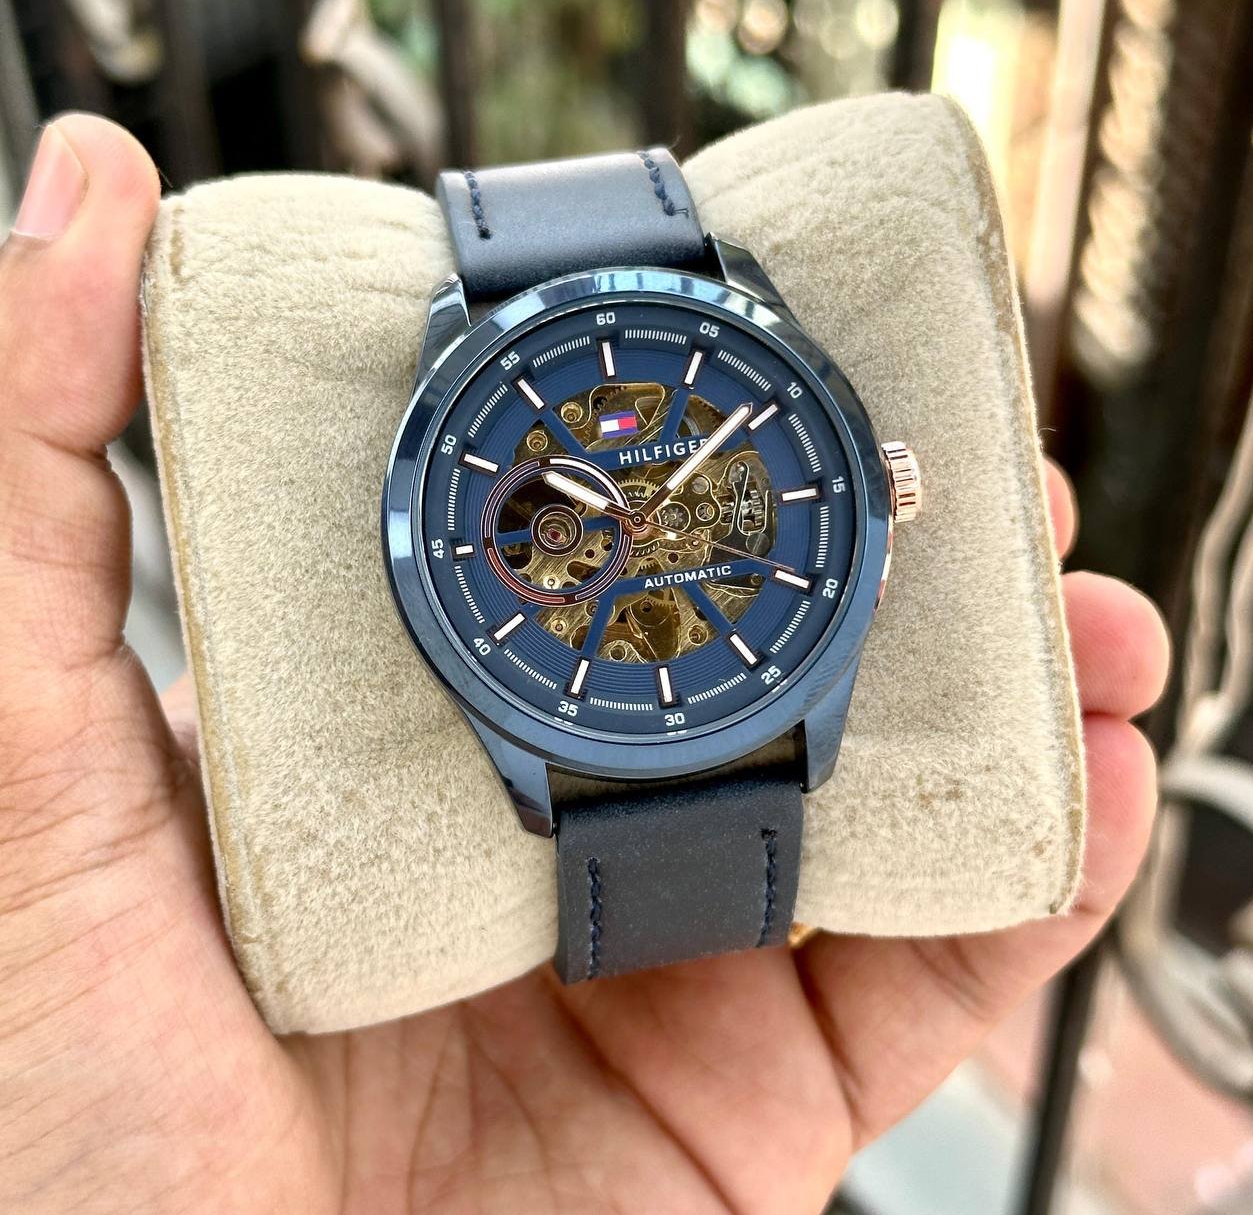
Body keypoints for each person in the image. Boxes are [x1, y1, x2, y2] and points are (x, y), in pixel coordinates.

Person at [0, 114, 1169, 1213]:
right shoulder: (523, 503)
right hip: (590, 711)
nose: (636, 526)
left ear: (881, 482)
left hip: (730, 693)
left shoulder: (732, 368)